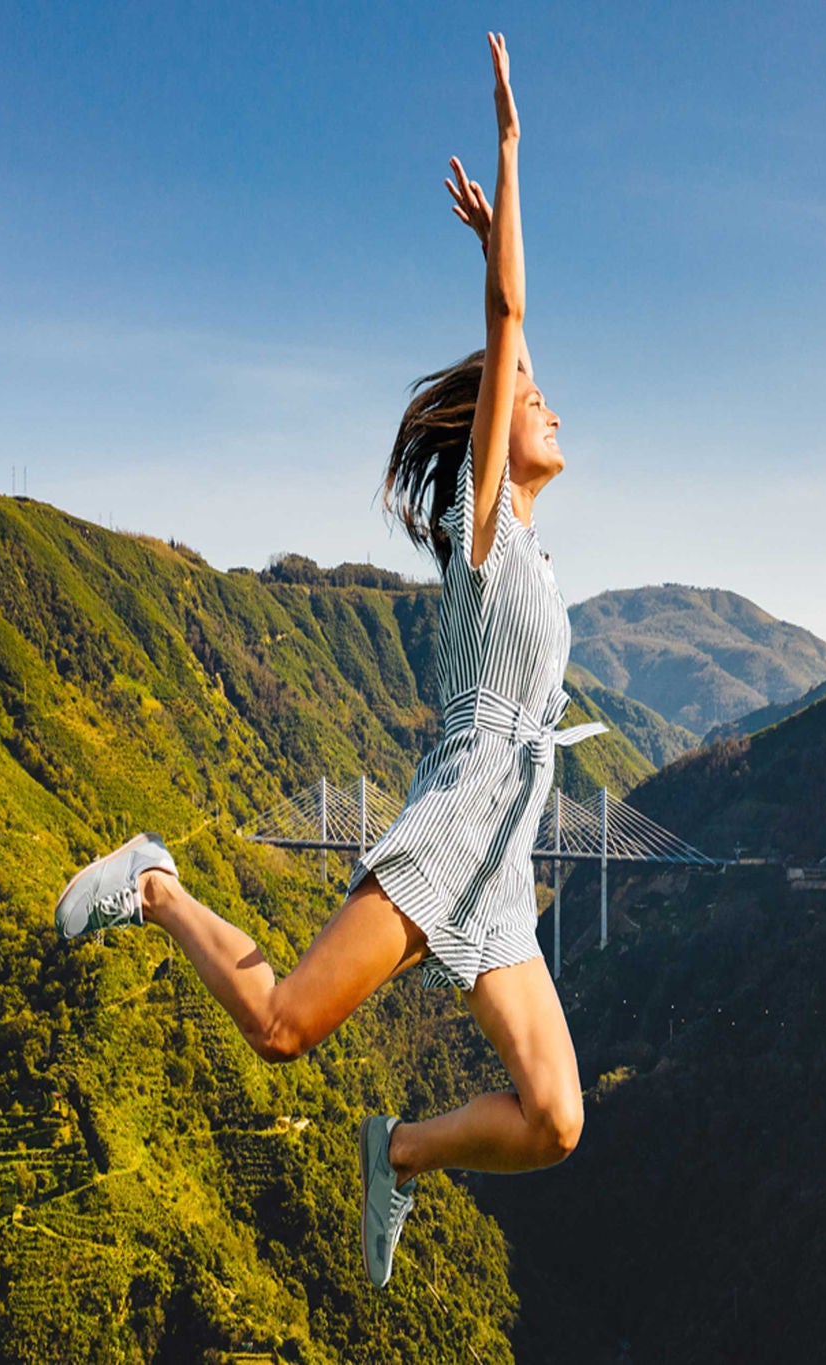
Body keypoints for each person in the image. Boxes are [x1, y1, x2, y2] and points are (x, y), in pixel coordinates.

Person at [52, 32, 602, 1291]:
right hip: (458, 817)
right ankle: (152, 886)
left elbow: (516, 344)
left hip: (503, 868)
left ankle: (397, 1153)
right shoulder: (485, 536)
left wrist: (489, 251)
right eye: (532, 401)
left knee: (557, 1121)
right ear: (487, 439)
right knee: (284, 1027)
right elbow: (510, 319)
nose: (554, 410)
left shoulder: (541, 560)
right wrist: (513, 159)